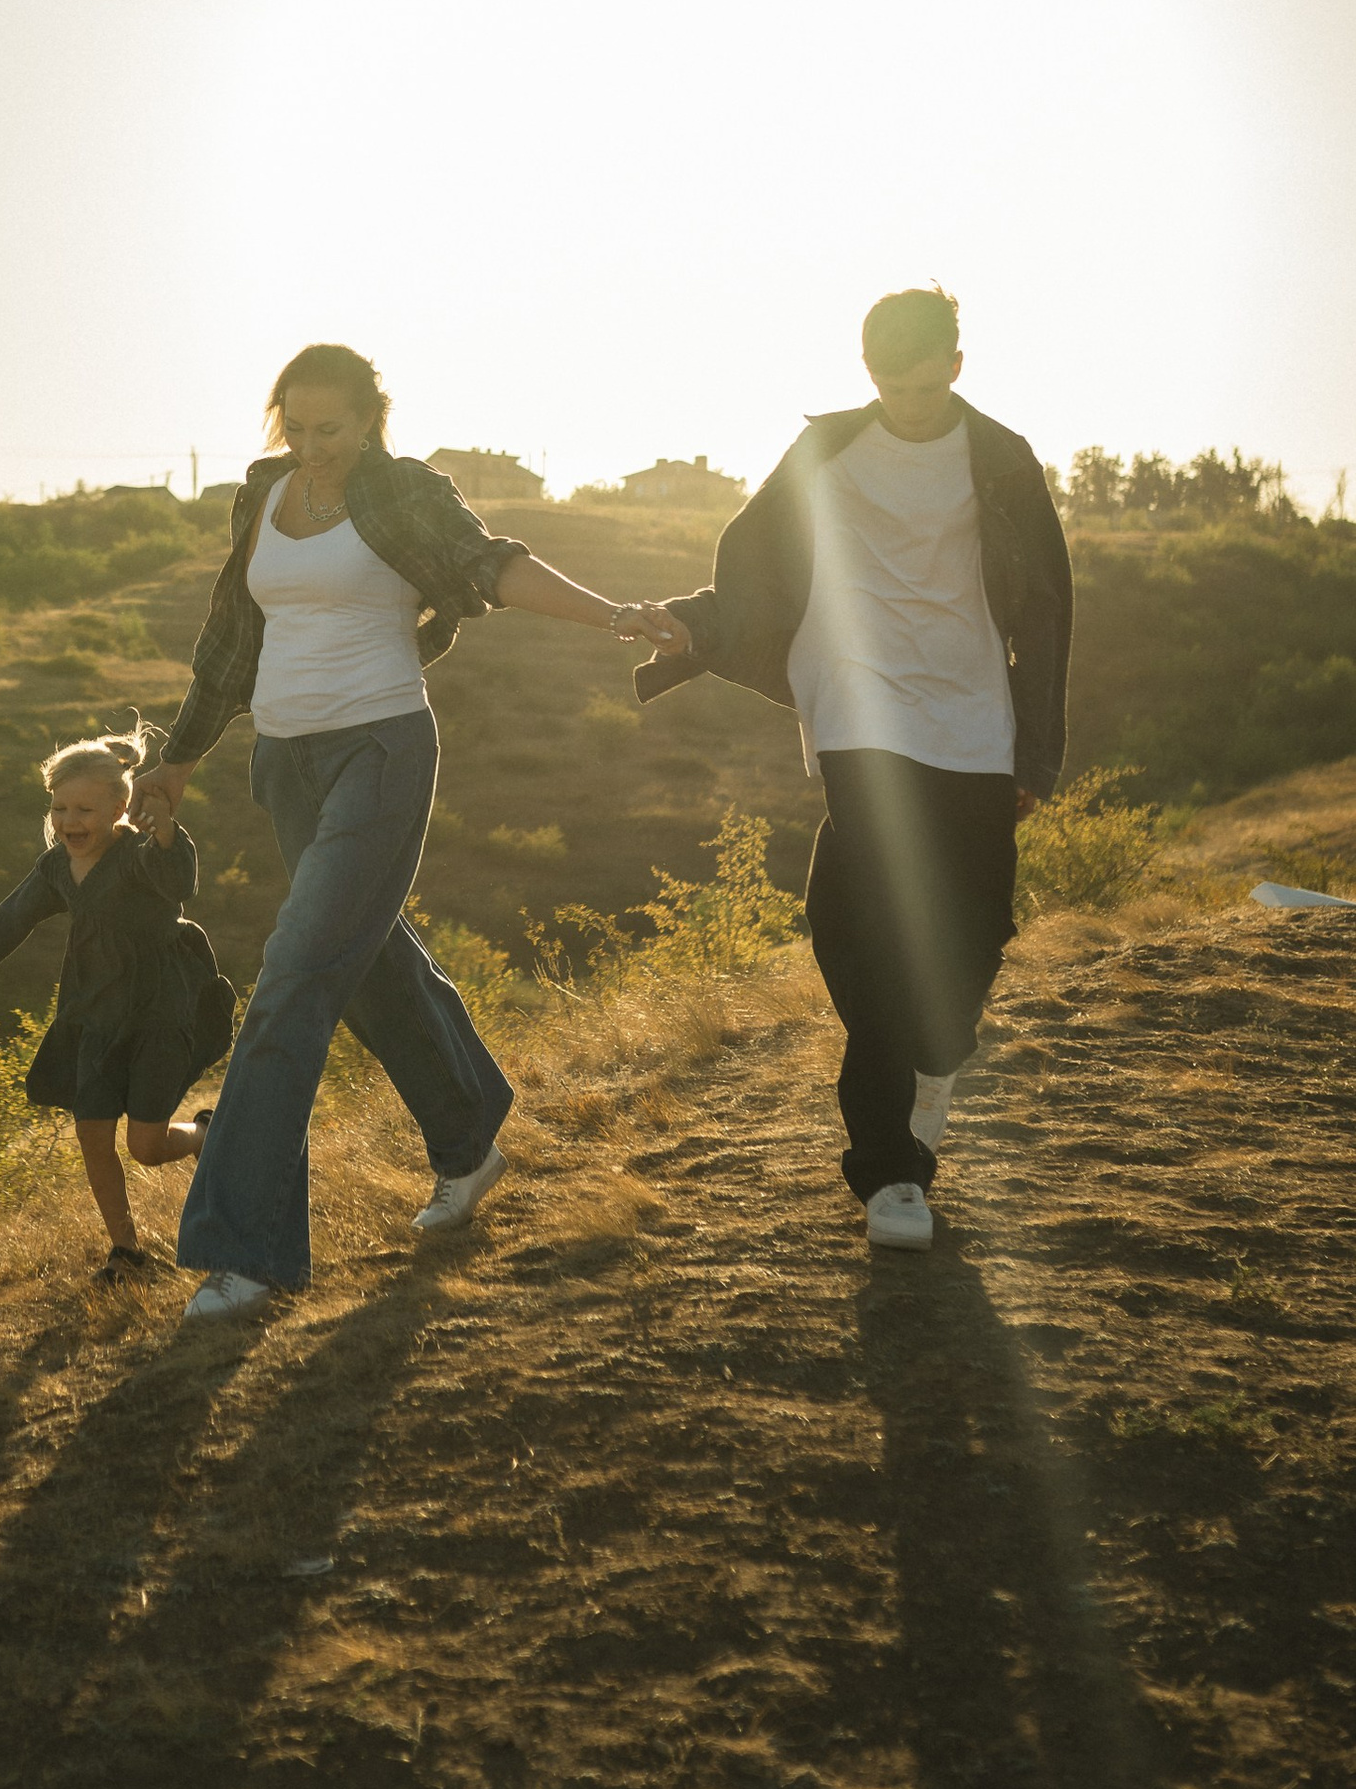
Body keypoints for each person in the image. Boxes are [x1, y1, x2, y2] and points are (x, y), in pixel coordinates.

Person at [128, 342, 687, 1323]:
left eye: (329, 430)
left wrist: (615, 617)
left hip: (379, 751)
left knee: (296, 973)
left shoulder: (403, 495)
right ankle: (469, 1136)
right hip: (285, 763)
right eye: (293, 428)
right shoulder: (260, 495)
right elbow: (230, 636)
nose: (310, 449)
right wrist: (176, 757)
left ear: (370, 417)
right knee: (367, 955)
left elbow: (489, 565)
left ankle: (246, 1254)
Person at [633, 284, 1072, 1253]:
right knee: (861, 921)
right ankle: (889, 1176)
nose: (910, 405)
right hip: (858, 700)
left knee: (972, 937)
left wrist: (1034, 750)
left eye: (925, 386)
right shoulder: (827, 450)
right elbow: (752, 571)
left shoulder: (999, 459)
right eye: (891, 386)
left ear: (956, 366)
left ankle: (936, 1052)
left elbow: (1043, 610)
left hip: (970, 716)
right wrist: (693, 625)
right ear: (865, 371)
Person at [0, 724, 237, 1281]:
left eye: (85, 810)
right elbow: (9, 921)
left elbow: (179, 884)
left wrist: (167, 831)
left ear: (121, 807)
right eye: (60, 808)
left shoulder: (144, 853)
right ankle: (127, 1252)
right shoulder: (57, 869)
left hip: (156, 1012)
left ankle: (205, 1135)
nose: (70, 822)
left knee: (145, 1145)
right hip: (94, 1012)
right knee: (92, 1132)